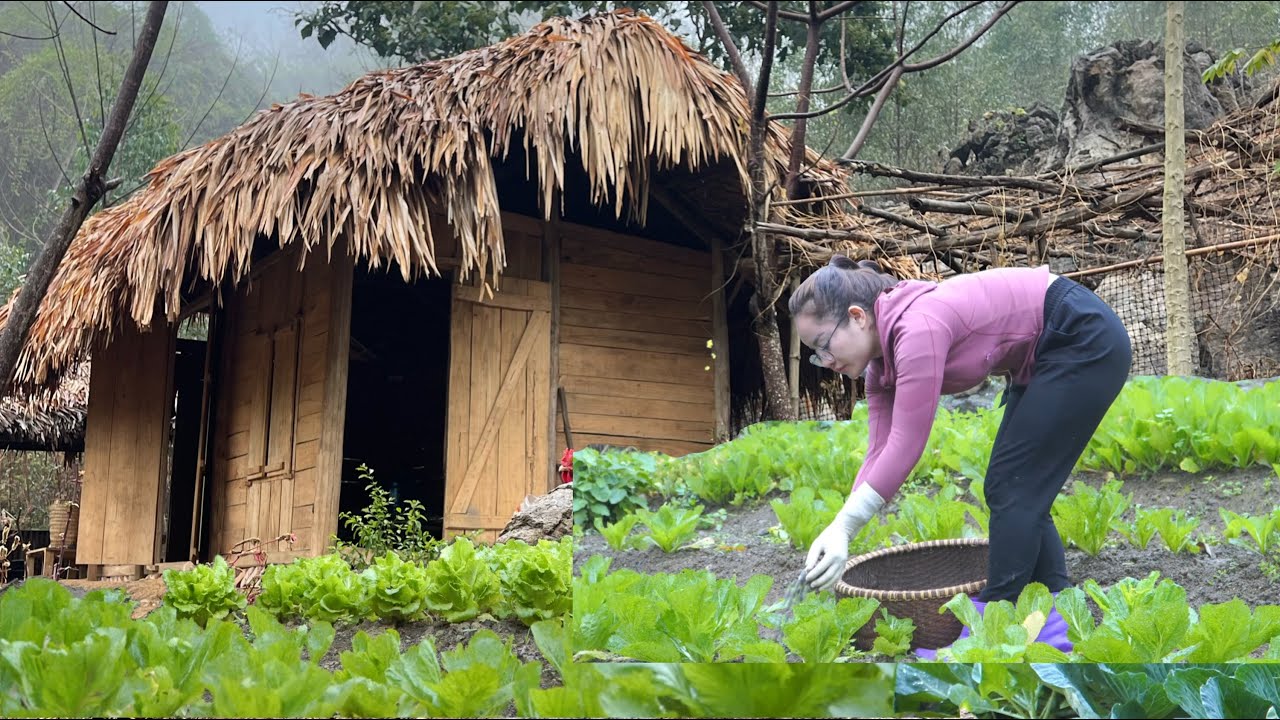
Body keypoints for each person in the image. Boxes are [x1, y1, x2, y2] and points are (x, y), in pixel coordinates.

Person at [792, 255, 1132, 604]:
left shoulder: (917, 329)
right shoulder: (881, 367)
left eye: (823, 345)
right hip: (1046, 352)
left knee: (1012, 485)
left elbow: (906, 444)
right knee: (1012, 487)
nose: (826, 362)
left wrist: (846, 526)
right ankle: (1054, 602)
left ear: (857, 317)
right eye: (815, 355)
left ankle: (996, 611)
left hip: (1079, 335)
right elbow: (878, 450)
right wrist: (839, 528)